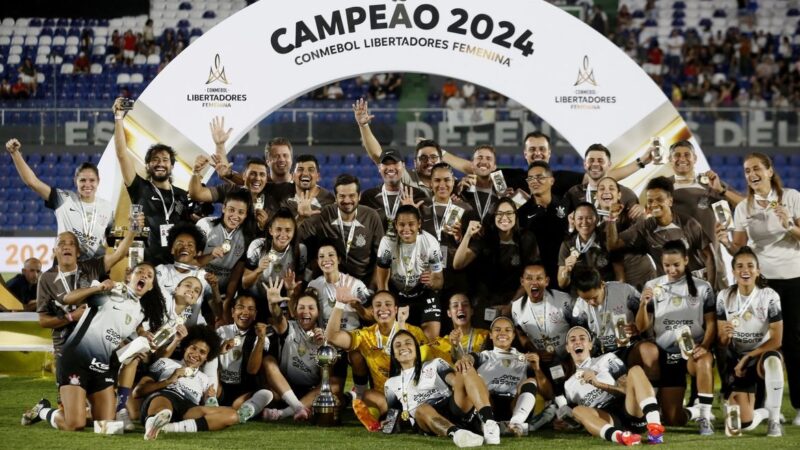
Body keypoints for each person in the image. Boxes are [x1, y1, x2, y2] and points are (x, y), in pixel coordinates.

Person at [22, 263, 160, 432]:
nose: (144, 276)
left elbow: (123, 332)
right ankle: (43, 411)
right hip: (76, 359)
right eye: (140, 272)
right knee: (75, 424)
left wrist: (141, 337)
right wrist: (96, 288)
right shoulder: (110, 291)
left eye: (149, 275)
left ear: (151, 286)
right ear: (129, 276)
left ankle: (77, 411)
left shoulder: (140, 312)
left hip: (101, 367)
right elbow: (68, 298)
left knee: (106, 424)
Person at [719, 152, 800, 425]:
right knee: (761, 341)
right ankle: (763, 406)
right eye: (746, 170)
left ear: (769, 170)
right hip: (761, 282)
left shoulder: (791, 197)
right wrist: (725, 241)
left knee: (792, 343)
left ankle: (799, 407)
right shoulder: (744, 207)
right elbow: (740, 249)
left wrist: (789, 223)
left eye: (756, 169)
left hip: (792, 277)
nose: (751, 174)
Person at [635, 240, 716, 434]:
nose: (672, 269)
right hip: (667, 353)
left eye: (676, 264)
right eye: (667, 265)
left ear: (686, 260)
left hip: (693, 351)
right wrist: (643, 305)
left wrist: (704, 345)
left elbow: (712, 323)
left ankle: (705, 417)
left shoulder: (703, 287)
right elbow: (641, 326)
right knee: (673, 420)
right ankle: (694, 411)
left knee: (704, 361)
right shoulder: (653, 286)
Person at [35, 228, 137, 364]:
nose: (66, 246)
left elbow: (119, 254)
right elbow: (43, 321)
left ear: (78, 252)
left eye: (72, 244)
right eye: (61, 243)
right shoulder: (46, 278)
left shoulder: (91, 267)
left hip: (96, 343)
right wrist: (71, 317)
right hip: (65, 345)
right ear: (54, 252)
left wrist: (133, 228)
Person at [325, 290, 428, 417]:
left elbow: (427, 365)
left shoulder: (414, 332)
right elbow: (332, 337)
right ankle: (392, 415)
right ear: (372, 312)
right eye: (378, 305)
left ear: (396, 310)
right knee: (368, 394)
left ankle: (394, 416)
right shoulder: (366, 335)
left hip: (413, 393)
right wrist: (339, 304)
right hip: (384, 397)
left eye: (388, 304)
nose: (383, 308)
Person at [716, 247, 785, 437]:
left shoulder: (769, 296)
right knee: (741, 424)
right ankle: (764, 412)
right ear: (733, 271)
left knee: (773, 361)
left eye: (750, 266)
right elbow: (721, 342)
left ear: (758, 270)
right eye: (739, 266)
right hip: (737, 360)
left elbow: (777, 340)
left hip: (760, 356)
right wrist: (726, 335)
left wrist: (748, 357)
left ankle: (774, 421)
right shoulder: (723, 297)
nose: (745, 270)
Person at [7, 139, 114, 259]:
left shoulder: (107, 208)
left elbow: (112, 243)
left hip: (93, 269)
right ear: (75, 181)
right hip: (64, 265)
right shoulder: (63, 199)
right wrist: (15, 153)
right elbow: (33, 182)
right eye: (82, 180)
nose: (87, 184)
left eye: (92, 180)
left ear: (98, 181)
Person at [114, 97, 191, 265]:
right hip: (147, 268)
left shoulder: (183, 195)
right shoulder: (140, 188)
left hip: (176, 267)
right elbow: (121, 155)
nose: (160, 164)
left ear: (172, 166)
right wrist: (119, 117)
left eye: (165, 160)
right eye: (155, 160)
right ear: (148, 166)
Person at [560, 326, 665, 446]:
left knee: (635, 370)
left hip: (628, 410)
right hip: (607, 419)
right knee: (577, 410)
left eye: (582, 338)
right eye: (572, 340)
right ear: (568, 348)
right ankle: (622, 438)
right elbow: (579, 418)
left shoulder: (606, 359)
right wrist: (565, 422)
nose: (577, 341)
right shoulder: (568, 384)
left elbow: (627, 390)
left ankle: (655, 430)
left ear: (590, 345)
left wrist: (599, 384)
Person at [384, 330, 489, 447]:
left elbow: (457, 381)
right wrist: (389, 423)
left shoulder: (435, 364)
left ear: (416, 348)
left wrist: (458, 350)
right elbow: (393, 416)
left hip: (453, 408)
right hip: (426, 418)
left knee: (465, 370)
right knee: (422, 408)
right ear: (393, 353)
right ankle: (458, 435)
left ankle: (489, 422)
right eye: (398, 345)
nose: (403, 347)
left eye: (408, 343)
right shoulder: (390, 384)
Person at [606, 176, 716, 288]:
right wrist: (611, 218)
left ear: (670, 201)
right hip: (669, 289)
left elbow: (709, 256)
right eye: (650, 201)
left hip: (696, 285)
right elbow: (613, 245)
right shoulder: (644, 227)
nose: (654, 204)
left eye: (659, 200)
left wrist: (710, 288)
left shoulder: (688, 223)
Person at [135, 326, 237, 440]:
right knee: (164, 407)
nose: (195, 354)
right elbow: (137, 392)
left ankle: (168, 427)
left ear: (207, 358)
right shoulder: (165, 363)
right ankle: (153, 423)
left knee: (232, 415)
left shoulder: (204, 379)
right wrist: (167, 381)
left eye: (202, 352)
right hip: (164, 396)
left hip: (188, 407)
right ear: (185, 347)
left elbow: (210, 407)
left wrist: (209, 398)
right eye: (193, 348)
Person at [668, 140, 742, 290]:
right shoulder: (663, 186)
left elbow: (744, 205)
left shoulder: (710, 182)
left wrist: (721, 190)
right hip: (679, 263)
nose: (682, 159)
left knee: (718, 308)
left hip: (713, 260)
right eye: (677, 155)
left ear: (695, 159)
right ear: (670, 160)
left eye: (687, 155)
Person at [454, 199, 539, 321]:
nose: (504, 217)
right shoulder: (486, 236)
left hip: (516, 299)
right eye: (499, 213)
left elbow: (530, 277)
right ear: (494, 216)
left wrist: (511, 305)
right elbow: (458, 264)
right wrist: (467, 235)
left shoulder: (526, 237)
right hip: (486, 301)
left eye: (509, 213)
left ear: (515, 215)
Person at [355, 98, 459, 198]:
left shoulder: (452, 182)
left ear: (441, 160)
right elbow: (377, 156)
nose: (429, 161)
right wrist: (363, 125)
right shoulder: (407, 177)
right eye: (423, 158)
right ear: (415, 163)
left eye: (433, 157)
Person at [307, 241, 372, 398]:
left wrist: (357, 306)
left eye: (331, 255)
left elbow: (370, 316)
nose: (326, 259)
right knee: (334, 397)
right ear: (317, 261)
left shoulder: (355, 284)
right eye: (321, 256)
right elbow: (309, 315)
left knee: (356, 356)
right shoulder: (314, 285)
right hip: (328, 343)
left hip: (351, 339)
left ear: (339, 259)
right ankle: (345, 396)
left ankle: (361, 396)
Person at [570, 267, 659, 380]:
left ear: (602, 285)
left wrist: (637, 325)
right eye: (586, 300)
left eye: (594, 298)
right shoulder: (579, 306)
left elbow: (643, 325)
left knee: (650, 351)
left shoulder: (624, 291)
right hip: (600, 354)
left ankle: (651, 395)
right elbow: (577, 338)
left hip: (628, 347)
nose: (591, 303)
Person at [459, 316, 541, 435]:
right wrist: (466, 358)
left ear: (513, 335)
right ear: (491, 335)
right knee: (478, 379)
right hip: (489, 403)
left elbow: (548, 392)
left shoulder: (524, 358)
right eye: (497, 330)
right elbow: (470, 358)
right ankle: (490, 423)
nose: (502, 333)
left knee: (531, 381)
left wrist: (537, 368)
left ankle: (515, 423)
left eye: (507, 330)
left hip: (514, 405)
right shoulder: (485, 355)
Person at [298, 174, 384, 286]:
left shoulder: (371, 216)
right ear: (335, 197)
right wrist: (301, 218)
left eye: (352, 195)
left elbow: (381, 256)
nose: (347, 200)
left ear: (359, 196)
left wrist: (374, 287)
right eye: (342, 196)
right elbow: (296, 236)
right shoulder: (325, 214)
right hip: (330, 281)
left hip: (363, 283)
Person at [376, 204, 444, 340]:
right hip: (395, 294)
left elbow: (439, 282)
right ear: (395, 225)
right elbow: (381, 281)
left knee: (431, 337)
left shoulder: (431, 243)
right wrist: (386, 305)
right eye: (401, 224)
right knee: (389, 334)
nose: (406, 229)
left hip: (422, 293)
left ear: (419, 223)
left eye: (411, 224)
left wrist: (432, 281)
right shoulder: (387, 242)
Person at [262, 284, 326, 421]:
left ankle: (282, 414)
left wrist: (323, 349)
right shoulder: (290, 328)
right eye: (301, 307)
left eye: (311, 308)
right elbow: (278, 318)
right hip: (284, 388)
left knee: (329, 386)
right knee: (268, 361)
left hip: (309, 391)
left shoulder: (323, 337)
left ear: (318, 312)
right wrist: (273, 305)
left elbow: (325, 378)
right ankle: (297, 408)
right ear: (295, 311)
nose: (305, 311)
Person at [510, 263, 574, 398]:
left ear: (547, 281)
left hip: (569, 356)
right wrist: (536, 351)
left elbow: (579, 329)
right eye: (529, 278)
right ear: (522, 281)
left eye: (539, 278)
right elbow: (521, 334)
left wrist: (570, 360)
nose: (534, 282)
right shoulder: (516, 308)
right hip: (543, 361)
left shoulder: (563, 300)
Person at [420, 163, 476, 300]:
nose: (442, 184)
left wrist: (459, 238)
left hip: (456, 278)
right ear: (430, 183)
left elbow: (473, 245)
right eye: (437, 180)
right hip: (427, 276)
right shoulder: (421, 206)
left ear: (453, 181)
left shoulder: (466, 209)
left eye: (447, 180)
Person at [215, 295, 274, 423]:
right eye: (240, 307)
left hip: (244, 390)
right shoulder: (221, 332)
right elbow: (210, 362)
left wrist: (261, 339)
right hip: (221, 387)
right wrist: (220, 349)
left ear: (255, 314)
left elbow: (252, 370)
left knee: (266, 393)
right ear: (232, 312)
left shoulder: (261, 337)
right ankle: (218, 406)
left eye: (250, 309)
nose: (245, 312)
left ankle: (242, 412)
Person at [242, 208, 307, 320]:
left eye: (288, 230)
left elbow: (298, 285)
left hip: (282, 299)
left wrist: (290, 290)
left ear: (294, 232)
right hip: (256, 299)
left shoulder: (300, 250)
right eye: (278, 229)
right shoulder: (257, 246)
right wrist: (259, 270)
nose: (283, 234)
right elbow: (244, 284)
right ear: (271, 230)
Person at [594, 177, 655, 290]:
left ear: (619, 195)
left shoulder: (633, 214)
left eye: (611, 188)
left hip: (646, 277)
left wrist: (643, 211)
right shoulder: (596, 228)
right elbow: (614, 260)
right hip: (622, 283)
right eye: (602, 189)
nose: (606, 191)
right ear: (596, 196)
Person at [517, 161, 569, 288]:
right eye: (530, 178)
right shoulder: (522, 212)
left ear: (551, 180)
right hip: (537, 277)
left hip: (564, 271)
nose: (534, 181)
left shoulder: (566, 204)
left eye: (540, 177)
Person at [155, 224, 221, 326]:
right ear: (172, 249)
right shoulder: (161, 271)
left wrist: (215, 288)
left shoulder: (203, 277)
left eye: (190, 245)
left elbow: (218, 313)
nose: (185, 247)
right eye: (180, 243)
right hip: (156, 329)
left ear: (196, 253)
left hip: (186, 337)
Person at [196, 190, 253, 304]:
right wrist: (211, 255)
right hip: (198, 286)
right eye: (231, 210)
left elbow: (236, 274)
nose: (235, 216)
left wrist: (228, 301)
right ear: (223, 208)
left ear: (246, 215)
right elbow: (193, 262)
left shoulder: (247, 237)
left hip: (221, 292)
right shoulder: (205, 224)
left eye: (241, 212)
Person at [359, 148, 428, 234]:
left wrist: (412, 212)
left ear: (403, 166)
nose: (391, 168)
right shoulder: (368, 197)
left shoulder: (417, 195)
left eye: (395, 163)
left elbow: (425, 230)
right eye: (386, 164)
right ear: (379, 168)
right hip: (379, 246)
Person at [563, 144, 642, 216]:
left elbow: (638, 226)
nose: (595, 164)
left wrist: (643, 212)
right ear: (584, 164)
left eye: (600, 161)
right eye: (591, 160)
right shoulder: (574, 193)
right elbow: (561, 221)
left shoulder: (626, 194)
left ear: (609, 165)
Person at [557, 202, 613, 291]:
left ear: (597, 220)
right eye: (580, 218)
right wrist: (567, 270)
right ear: (574, 221)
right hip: (580, 295)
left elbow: (619, 274)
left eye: (589, 218)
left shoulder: (606, 241)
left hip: (605, 292)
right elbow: (561, 284)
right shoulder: (567, 244)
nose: (584, 222)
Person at [427, 293, 489, 365]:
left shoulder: (485, 335)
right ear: (449, 313)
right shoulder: (440, 343)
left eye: (465, 305)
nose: (460, 308)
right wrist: (456, 346)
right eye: (455, 305)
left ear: (471, 311)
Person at [283, 154, 335, 219]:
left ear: (318, 176)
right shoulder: (284, 198)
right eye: (300, 169)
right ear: (293, 176)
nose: (305, 173)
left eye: (311, 170)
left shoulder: (329, 201)